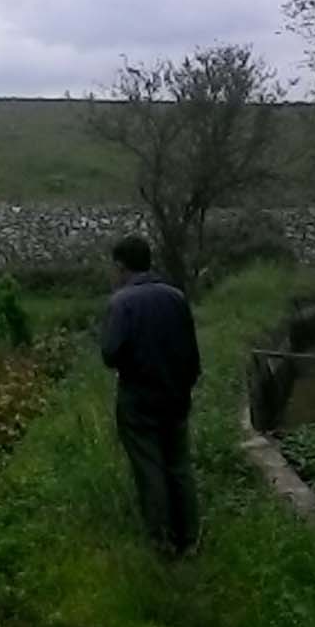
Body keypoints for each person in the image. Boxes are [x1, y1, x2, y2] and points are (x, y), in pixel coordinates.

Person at [100, 234, 201, 555]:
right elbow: (192, 353)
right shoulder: (176, 297)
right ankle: (190, 538)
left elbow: (110, 354)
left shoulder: (121, 302)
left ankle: (161, 540)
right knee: (179, 465)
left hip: (138, 399)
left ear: (120, 266)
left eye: (113, 268)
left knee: (150, 467)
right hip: (176, 395)